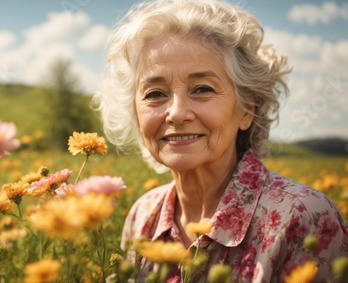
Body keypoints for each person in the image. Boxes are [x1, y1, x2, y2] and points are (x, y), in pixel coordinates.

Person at [93, 0, 348, 282]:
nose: (176, 113)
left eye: (202, 89)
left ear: (247, 110)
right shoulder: (143, 215)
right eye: (155, 93)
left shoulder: (302, 217)